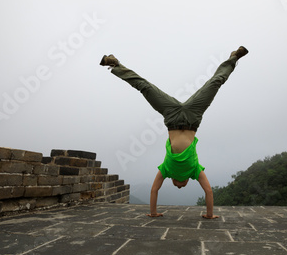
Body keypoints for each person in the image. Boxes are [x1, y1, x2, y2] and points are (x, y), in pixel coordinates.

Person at [100, 46, 249, 219]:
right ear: (187, 181)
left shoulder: (167, 169)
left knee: (145, 87)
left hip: (171, 116)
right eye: (182, 186)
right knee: (215, 83)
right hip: (193, 117)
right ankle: (233, 58)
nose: (179, 186)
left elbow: (155, 189)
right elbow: (208, 191)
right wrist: (209, 214)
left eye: (177, 186)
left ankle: (115, 64)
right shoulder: (194, 170)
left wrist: (154, 212)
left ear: (171, 179)